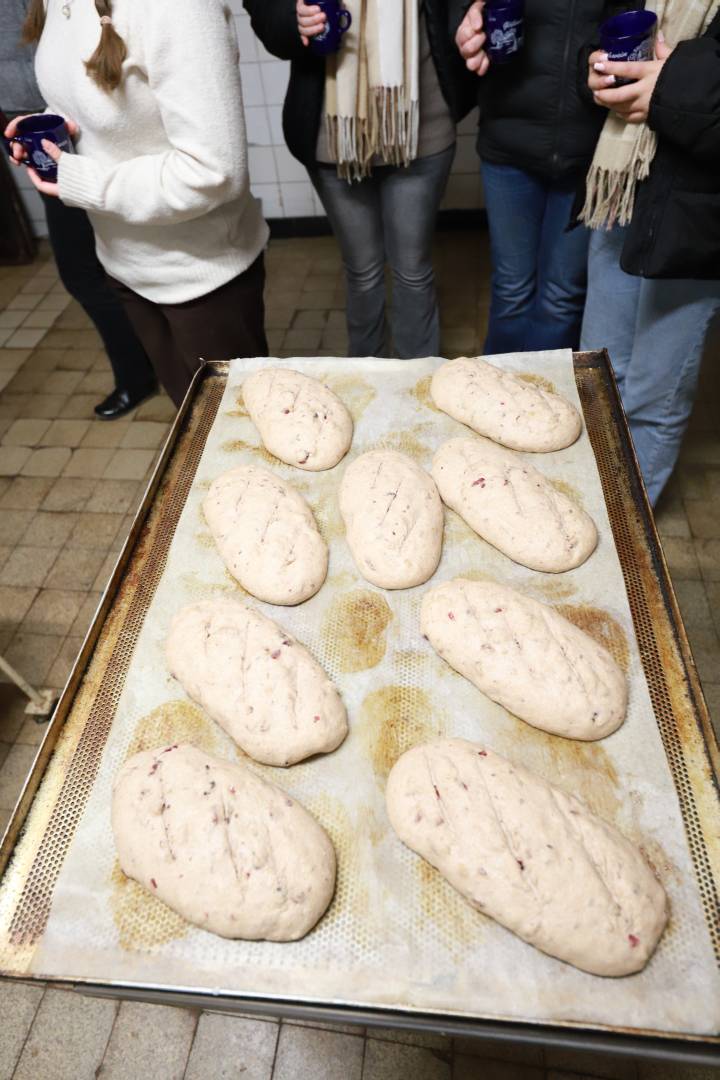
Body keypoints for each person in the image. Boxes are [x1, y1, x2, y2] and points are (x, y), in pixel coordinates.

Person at [6, 0, 269, 408]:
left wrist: (84, 180)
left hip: (201, 279)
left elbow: (215, 173)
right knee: (193, 429)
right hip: (125, 265)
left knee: (240, 440)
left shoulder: (177, 9)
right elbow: (96, 101)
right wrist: (49, 127)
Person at [244, 0, 475, 359]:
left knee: (412, 271)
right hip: (333, 136)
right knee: (363, 272)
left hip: (421, 124)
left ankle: (419, 384)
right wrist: (292, 17)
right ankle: (370, 380)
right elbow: (265, 10)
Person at [579, 4, 720, 506]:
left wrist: (668, 87)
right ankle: (593, 504)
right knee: (598, 375)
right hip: (622, 185)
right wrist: (596, 70)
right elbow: (605, 21)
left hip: (696, 205)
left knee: (650, 397)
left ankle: (625, 529)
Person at [0, 0, 156, 420]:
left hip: (60, 121)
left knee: (87, 265)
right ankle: (142, 368)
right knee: (89, 263)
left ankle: (142, 371)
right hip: (26, 118)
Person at [452, 0, 632, 354]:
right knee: (512, 290)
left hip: (592, 151)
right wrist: (464, 20)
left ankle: (548, 397)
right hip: (508, 136)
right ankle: (500, 397)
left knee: (562, 297)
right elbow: (457, 12)